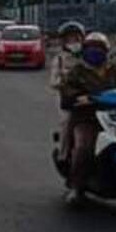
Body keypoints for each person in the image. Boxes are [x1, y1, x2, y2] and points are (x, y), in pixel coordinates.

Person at [58, 32, 116, 206]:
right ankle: (76, 187)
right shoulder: (77, 72)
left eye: (99, 49)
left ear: (106, 51)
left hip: (115, 118)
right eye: (91, 48)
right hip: (87, 119)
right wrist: (78, 98)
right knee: (84, 148)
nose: (95, 52)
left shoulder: (113, 70)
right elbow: (66, 93)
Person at [51, 20, 86, 164]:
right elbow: (53, 82)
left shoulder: (89, 56)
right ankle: (63, 156)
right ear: (64, 41)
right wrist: (63, 83)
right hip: (69, 99)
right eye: (70, 38)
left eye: (76, 38)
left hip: (91, 97)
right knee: (67, 123)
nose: (73, 41)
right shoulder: (59, 60)